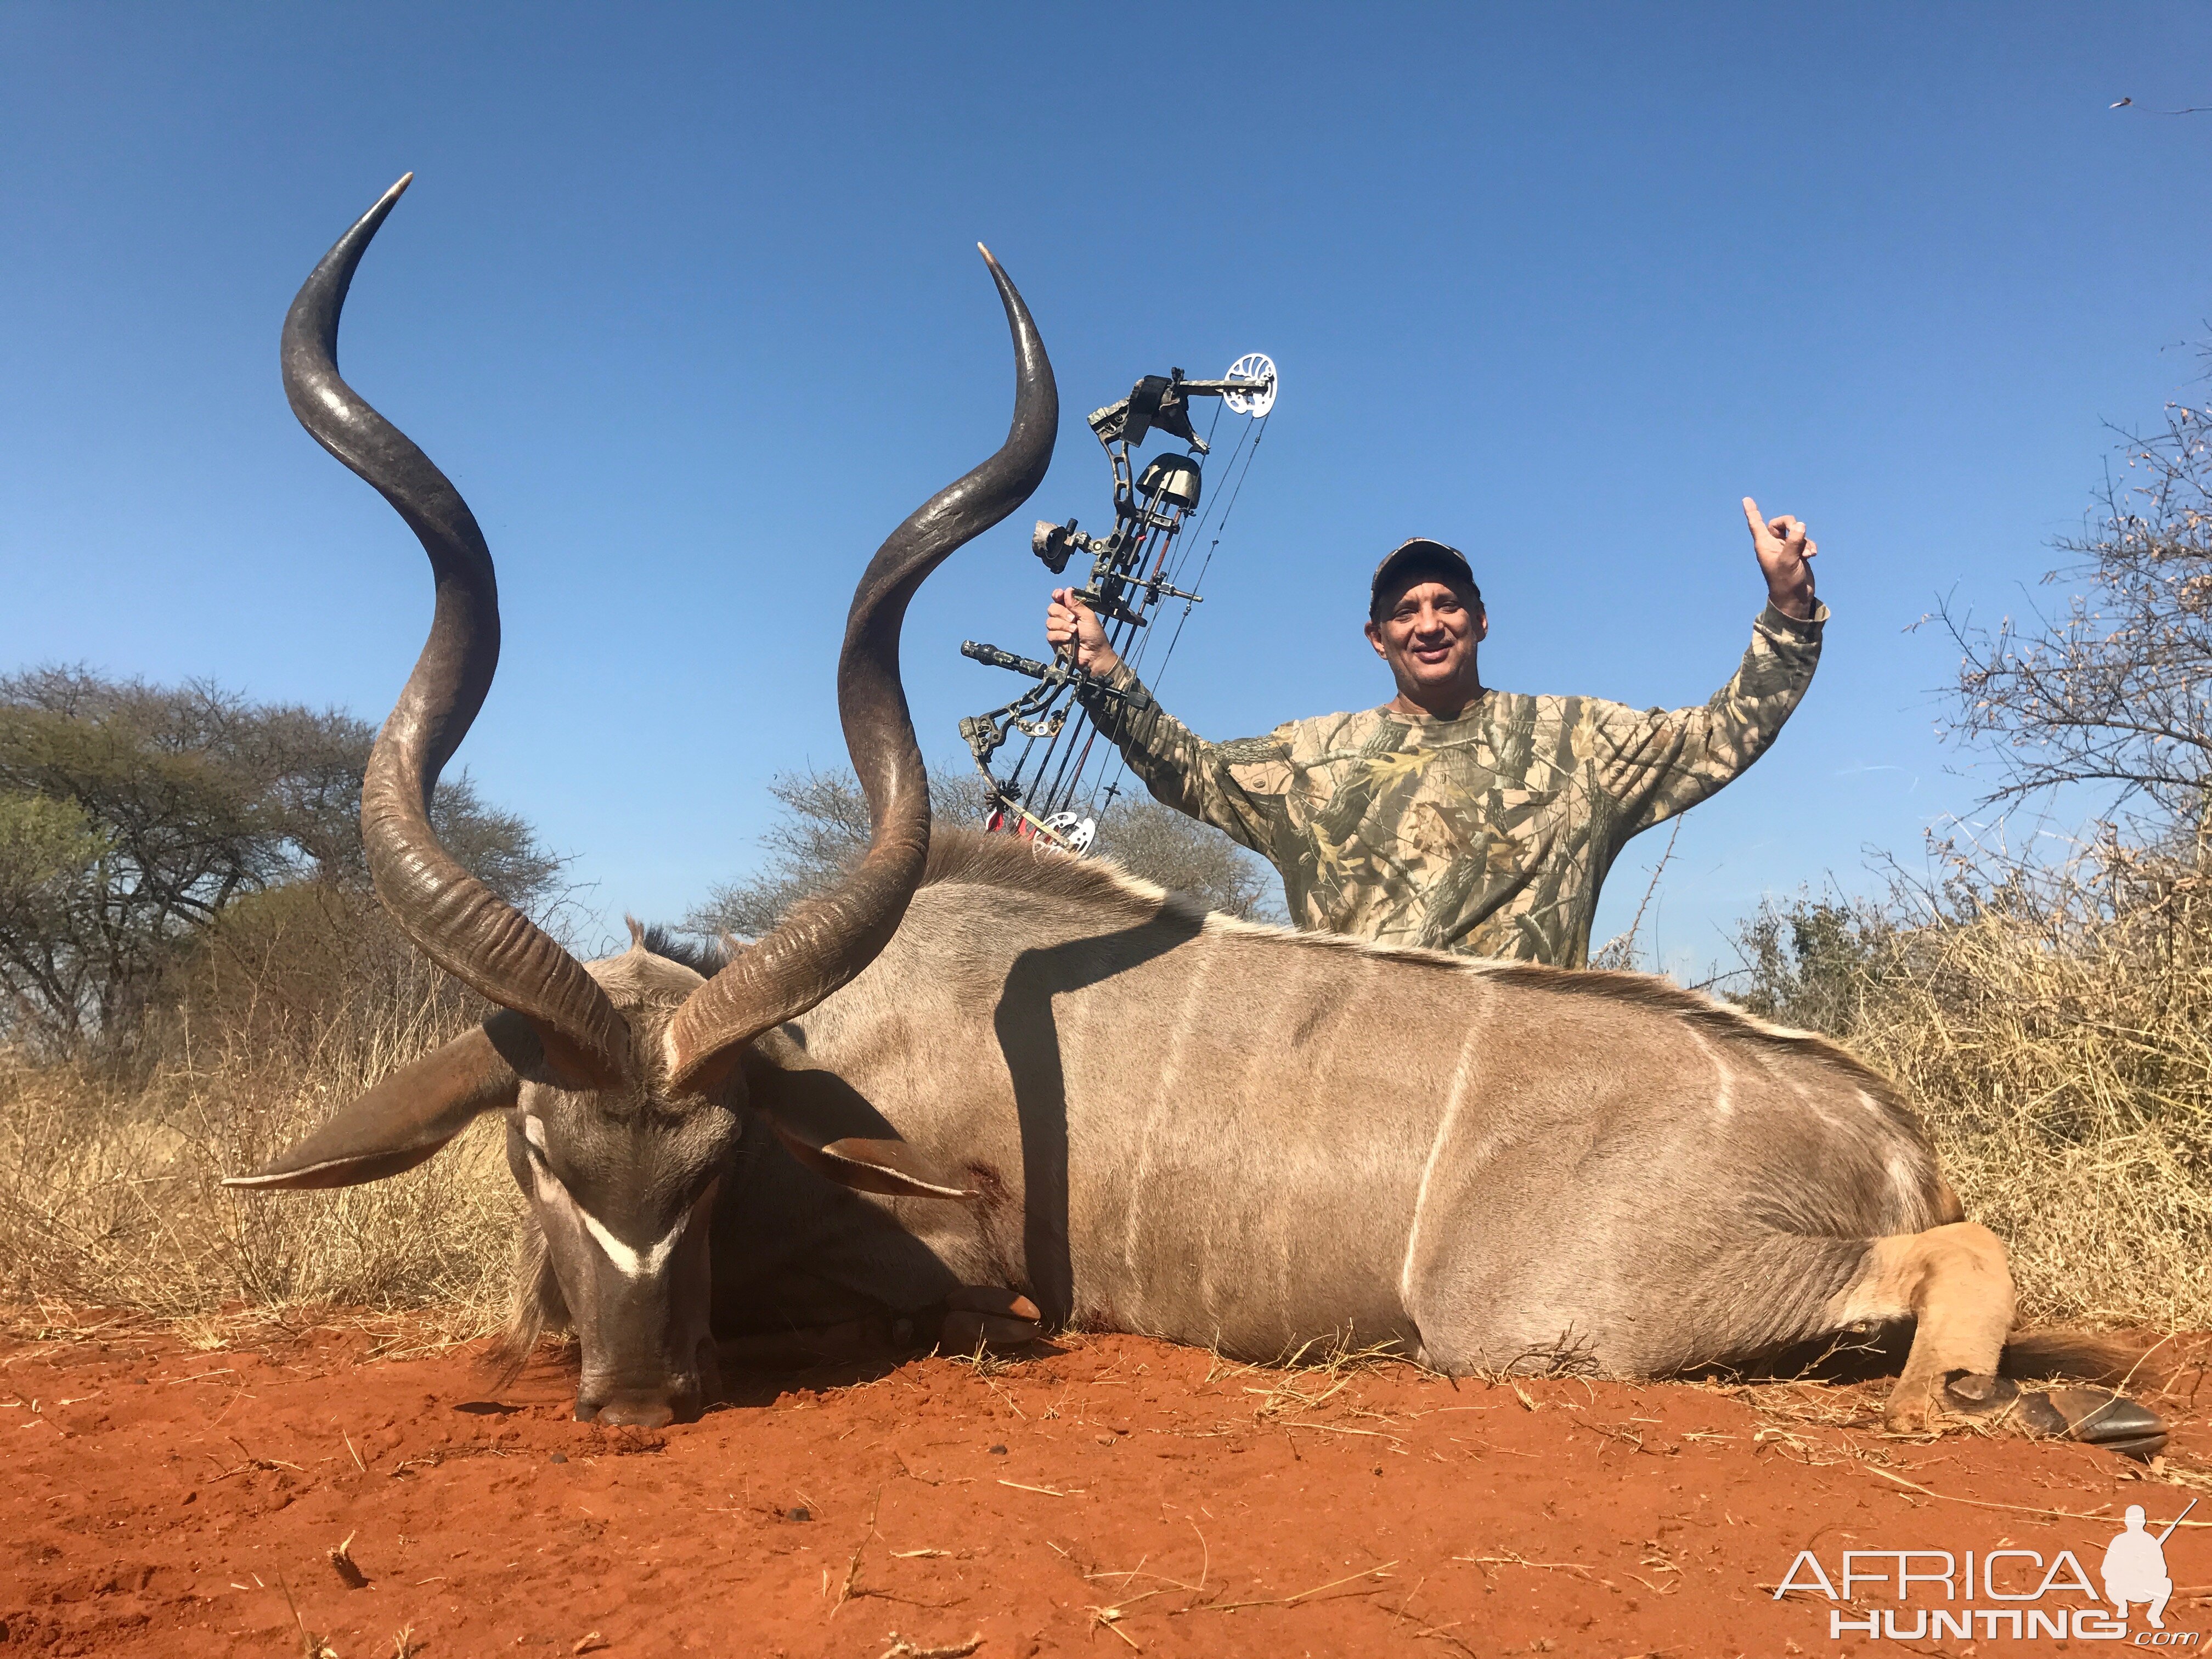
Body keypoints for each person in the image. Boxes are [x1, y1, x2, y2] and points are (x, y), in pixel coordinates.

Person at [1043, 499, 1823, 964]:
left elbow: (1722, 735)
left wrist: (1788, 611)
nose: (1428, 623)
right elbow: (1190, 772)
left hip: (1538, 1101)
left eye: (1446, 604)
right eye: (1404, 611)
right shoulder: (1312, 758)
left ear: (1480, 621)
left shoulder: (1576, 739)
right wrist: (1105, 673)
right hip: (1362, 1107)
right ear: (1376, 638)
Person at [2101, 1505, 2174, 1628]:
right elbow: (2105, 1570)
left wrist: (2146, 1568)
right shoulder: (2119, 1541)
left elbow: (2162, 1571)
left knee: (2167, 1584)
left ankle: (2154, 1615)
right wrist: (2125, 1569)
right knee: (2110, 1583)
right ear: (2126, 1522)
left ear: (2144, 1522)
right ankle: (2122, 1606)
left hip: (2143, 1589)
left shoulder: (2151, 1542)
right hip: (2122, 1589)